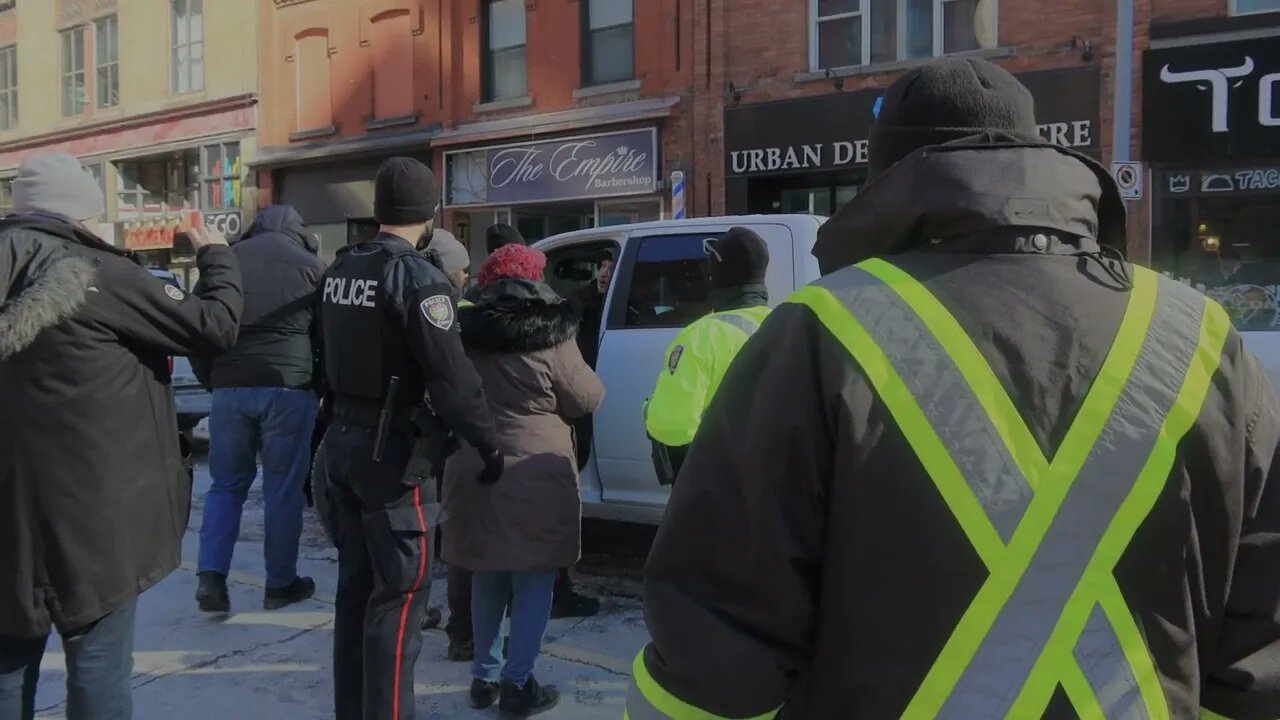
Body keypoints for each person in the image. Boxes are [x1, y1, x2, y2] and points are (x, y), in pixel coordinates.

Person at [625, 57, 1280, 720]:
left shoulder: (822, 331)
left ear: (889, 177)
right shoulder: (1198, 334)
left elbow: (717, 635)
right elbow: (1260, 630)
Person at [0, 153, 242, 719]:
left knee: (9, 665)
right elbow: (216, 325)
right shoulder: (98, 273)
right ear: (80, 215)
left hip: (8, 512)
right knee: (97, 663)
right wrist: (217, 256)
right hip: (94, 519)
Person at [312, 156, 502, 720]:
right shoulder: (419, 278)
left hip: (342, 444)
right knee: (397, 604)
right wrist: (487, 444)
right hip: (394, 456)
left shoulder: (341, 268)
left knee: (355, 593)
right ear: (431, 214)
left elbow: (317, 358)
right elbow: (454, 377)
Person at [441, 243, 605, 717]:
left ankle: (483, 678)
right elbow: (586, 398)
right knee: (535, 577)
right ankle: (518, 685)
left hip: (473, 464)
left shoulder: (462, 330)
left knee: (486, 573)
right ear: (536, 278)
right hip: (536, 470)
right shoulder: (552, 332)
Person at [193, 205, 326, 613]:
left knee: (225, 484)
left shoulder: (225, 262)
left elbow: (198, 328)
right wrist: (317, 385)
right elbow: (328, 338)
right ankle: (280, 583)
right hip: (290, 387)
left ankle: (211, 577)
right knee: (282, 489)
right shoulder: (313, 268)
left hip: (230, 388)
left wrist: (214, 380)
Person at [643, 227, 771, 484]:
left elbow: (673, 428)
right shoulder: (786, 323)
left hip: (719, 487)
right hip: (774, 483)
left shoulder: (701, 336)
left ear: (716, 274)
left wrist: (649, 410)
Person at [417, 227, 478, 662]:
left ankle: (428, 612)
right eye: (462, 269)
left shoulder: (410, 300)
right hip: (453, 434)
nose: (466, 276)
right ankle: (464, 632)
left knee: (426, 528)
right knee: (457, 534)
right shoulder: (465, 312)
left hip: (421, 431)